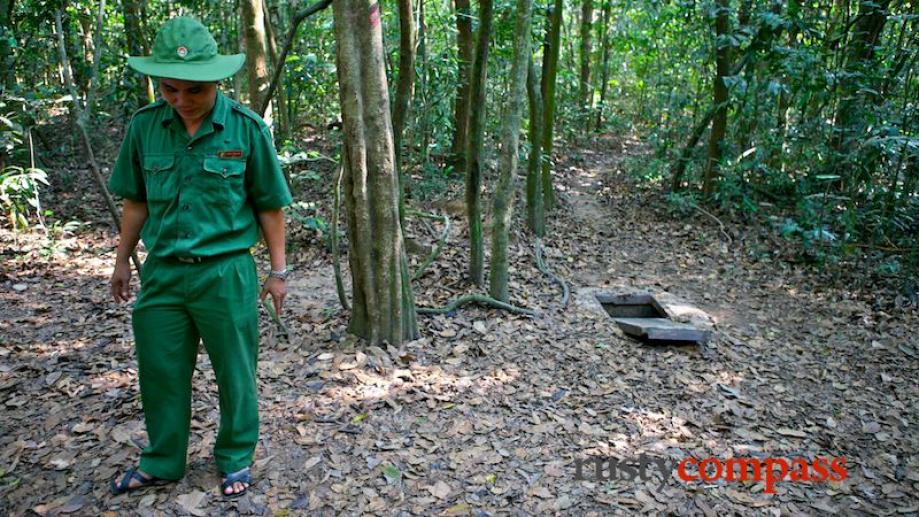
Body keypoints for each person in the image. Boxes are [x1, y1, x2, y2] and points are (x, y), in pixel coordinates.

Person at [107, 16, 292, 498]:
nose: (182, 100)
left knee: (235, 371)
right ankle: (164, 460)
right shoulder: (145, 128)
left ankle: (234, 457)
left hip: (225, 272)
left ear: (215, 80)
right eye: (170, 89)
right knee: (161, 371)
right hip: (164, 273)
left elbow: (270, 205)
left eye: (194, 90)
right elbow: (136, 202)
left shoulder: (246, 129)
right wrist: (122, 260)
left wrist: (277, 271)